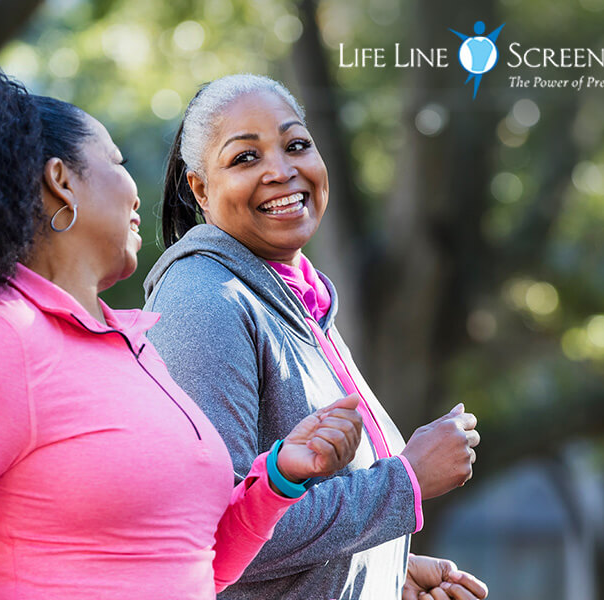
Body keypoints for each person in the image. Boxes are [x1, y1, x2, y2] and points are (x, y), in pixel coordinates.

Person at [0, 56, 366, 600]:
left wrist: (277, 478)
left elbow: (194, 562)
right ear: (61, 181)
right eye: (115, 161)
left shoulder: (133, 349)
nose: (138, 192)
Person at [143, 74, 488, 600]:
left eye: (296, 145)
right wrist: (407, 480)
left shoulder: (296, 299)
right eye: (244, 158)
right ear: (200, 188)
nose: (282, 171)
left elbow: (296, 521)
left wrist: (386, 572)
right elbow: (216, 536)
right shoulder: (205, 300)